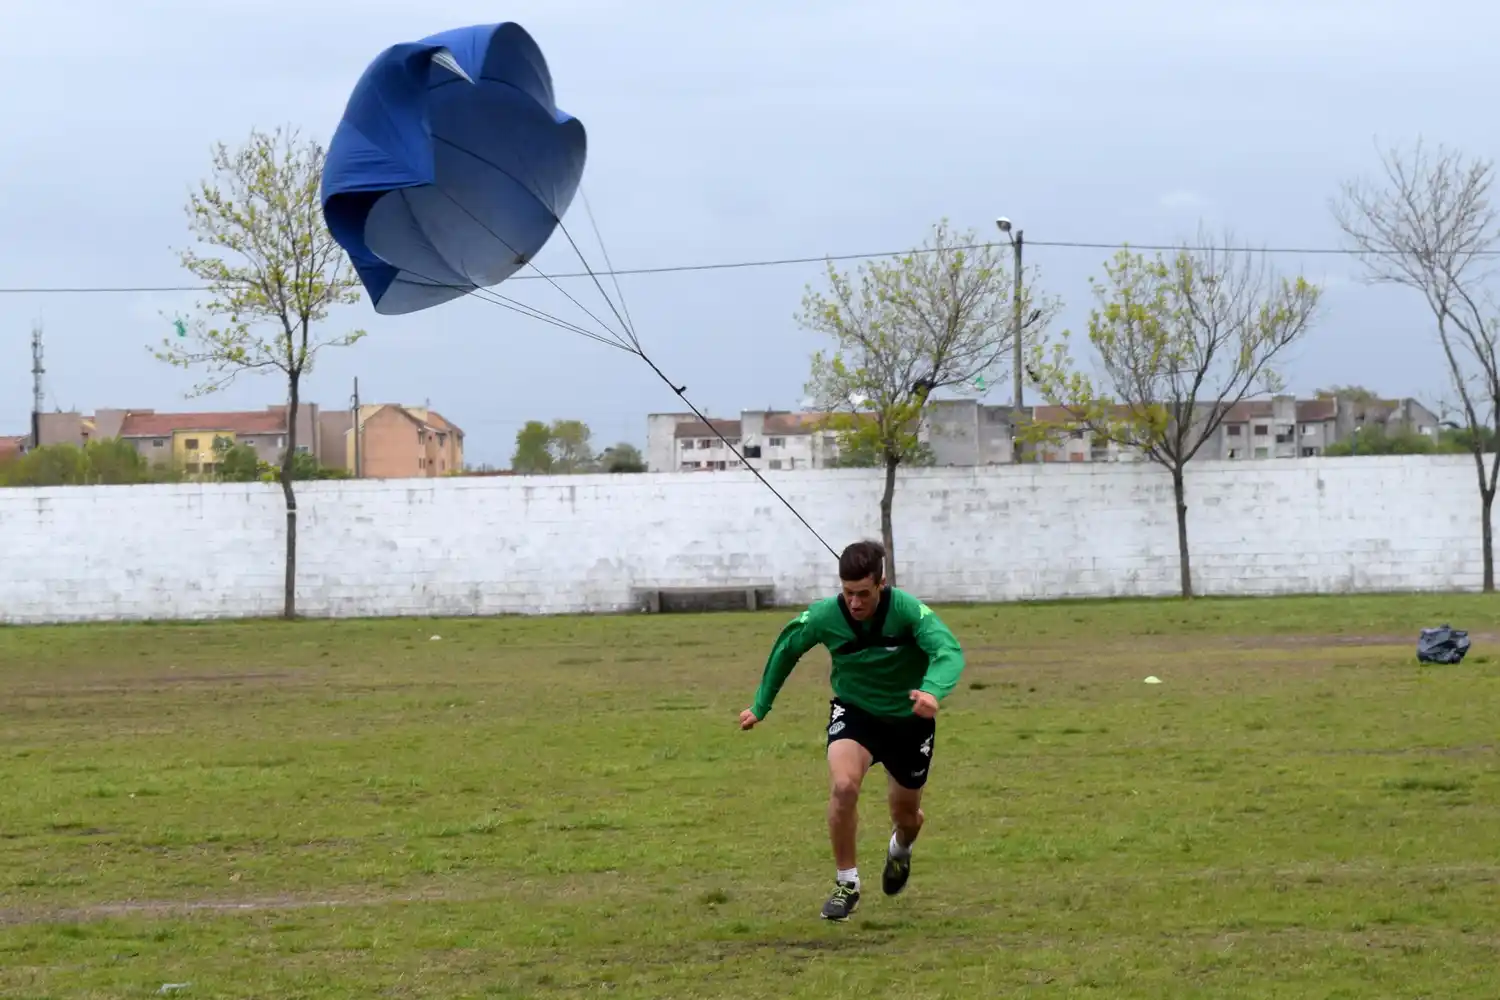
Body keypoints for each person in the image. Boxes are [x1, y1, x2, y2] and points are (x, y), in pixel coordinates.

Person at [737, 539, 966, 921]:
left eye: (863, 593)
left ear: (882, 583)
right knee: (844, 787)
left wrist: (932, 691)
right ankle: (847, 883)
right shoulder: (827, 615)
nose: (855, 603)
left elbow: (948, 650)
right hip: (856, 712)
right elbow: (787, 647)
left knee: (906, 816)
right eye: (848, 593)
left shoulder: (908, 611)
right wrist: (761, 704)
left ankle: (901, 849)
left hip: (909, 719)